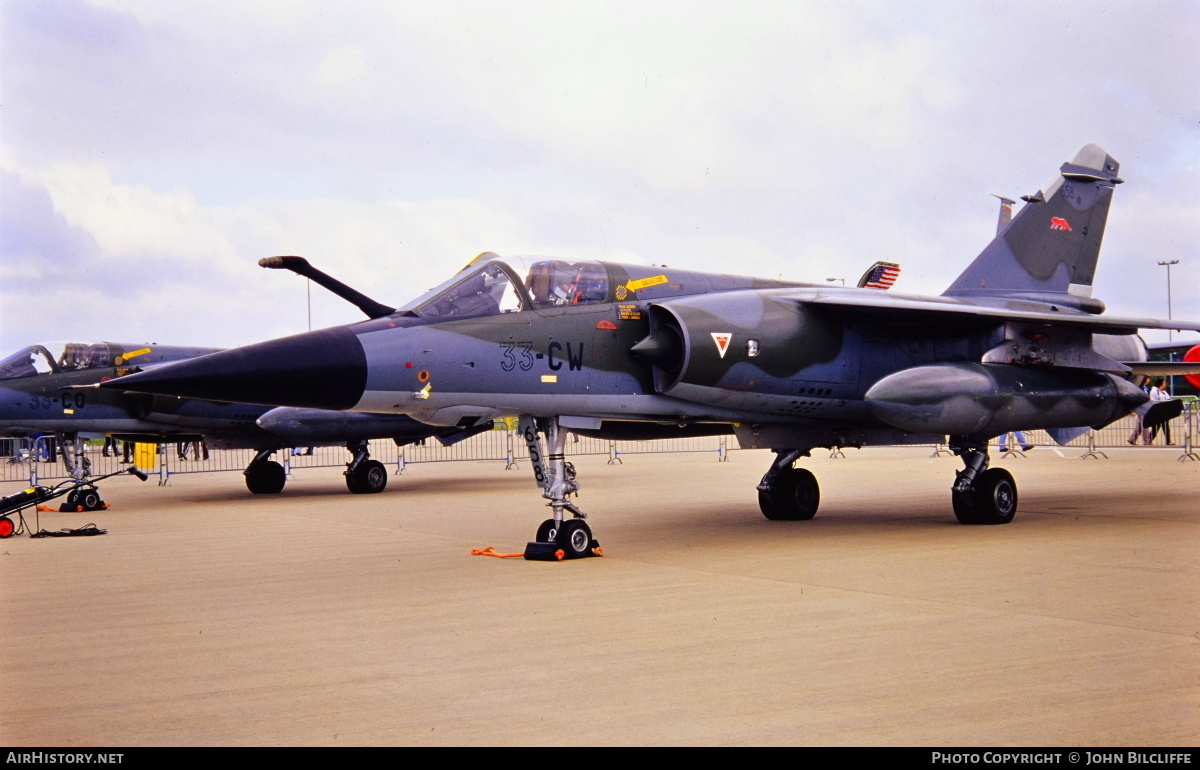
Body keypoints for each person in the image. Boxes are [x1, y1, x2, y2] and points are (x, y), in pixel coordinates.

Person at [1147, 379, 1173, 445]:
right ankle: (1149, 440)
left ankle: (1168, 441)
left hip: (1164, 411)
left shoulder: (1163, 391)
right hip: (1158, 411)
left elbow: (1168, 399)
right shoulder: (1154, 391)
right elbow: (1154, 401)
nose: (1165, 384)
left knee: (1165, 427)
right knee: (1156, 427)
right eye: (1164, 383)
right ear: (1160, 384)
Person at [1128, 379, 1153, 445]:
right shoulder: (1139, 388)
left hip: (1145, 407)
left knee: (1140, 424)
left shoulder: (1146, 388)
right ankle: (1146, 441)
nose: (1149, 380)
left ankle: (1132, 439)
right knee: (1144, 424)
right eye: (1147, 379)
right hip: (1141, 407)